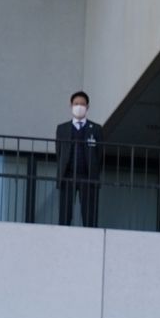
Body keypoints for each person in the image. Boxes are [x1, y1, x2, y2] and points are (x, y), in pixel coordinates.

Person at [55, 90, 103, 227]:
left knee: (89, 216)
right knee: (65, 215)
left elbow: (99, 155)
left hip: (88, 176)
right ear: (71, 106)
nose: (79, 106)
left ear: (87, 107)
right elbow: (59, 152)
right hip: (67, 175)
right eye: (76, 104)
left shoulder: (96, 129)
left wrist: (93, 172)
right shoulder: (62, 128)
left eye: (82, 104)